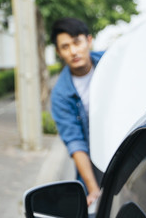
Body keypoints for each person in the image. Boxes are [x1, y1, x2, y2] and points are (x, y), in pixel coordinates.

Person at [49, 17, 104, 207]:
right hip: (95, 166)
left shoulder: (111, 63)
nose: (73, 51)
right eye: (65, 47)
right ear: (58, 52)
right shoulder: (60, 94)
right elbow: (75, 143)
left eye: (77, 42)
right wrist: (93, 189)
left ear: (89, 40)